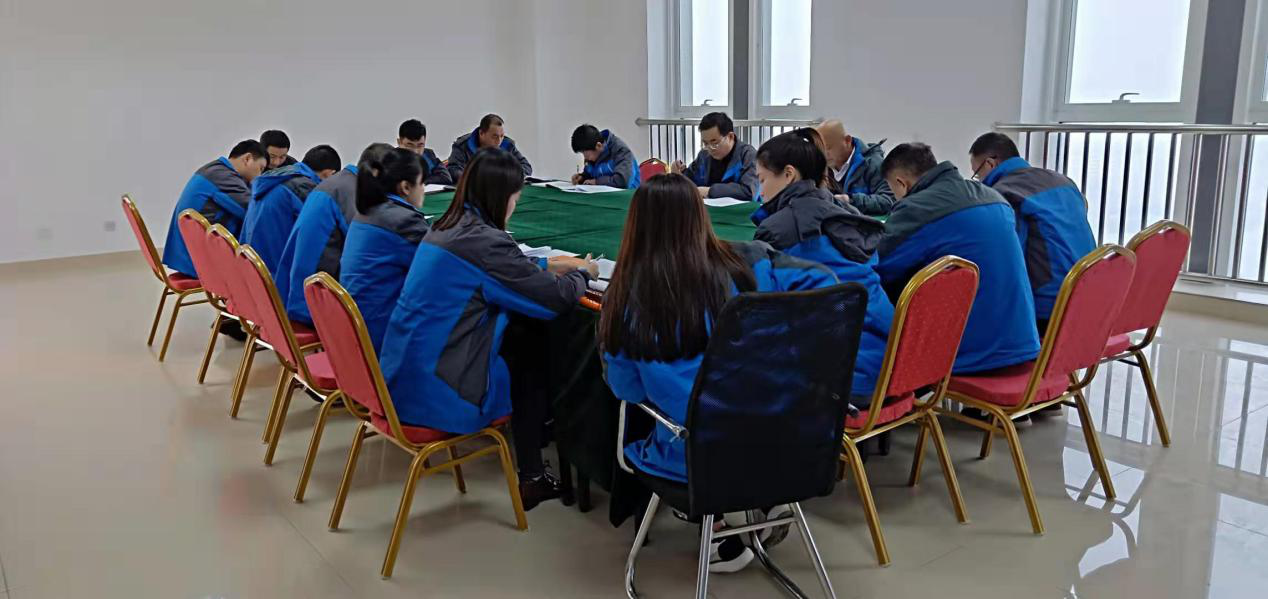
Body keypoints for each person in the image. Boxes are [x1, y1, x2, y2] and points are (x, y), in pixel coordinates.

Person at [598, 173, 839, 572]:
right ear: (700, 217)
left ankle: (727, 533)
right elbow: (826, 287)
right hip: (784, 437)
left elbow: (626, 390)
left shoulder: (626, 297)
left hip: (695, 457)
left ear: (636, 225)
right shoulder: (746, 266)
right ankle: (757, 505)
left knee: (673, 423)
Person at [378, 148, 596, 510]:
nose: (514, 206)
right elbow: (554, 300)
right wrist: (582, 274)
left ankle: (536, 457)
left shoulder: (448, 226)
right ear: (501, 196)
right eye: (515, 198)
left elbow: (501, 269)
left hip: (401, 377)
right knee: (531, 350)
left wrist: (546, 265)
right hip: (440, 388)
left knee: (521, 338)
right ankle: (533, 475)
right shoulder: (484, 240)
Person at [751, 129, 893, 408]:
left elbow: (767, 313)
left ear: (788, 174)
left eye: (762, 179)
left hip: (845, 377)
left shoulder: (779, 230)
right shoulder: (846, 212)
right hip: (890, 364)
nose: (760, 191)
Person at [876, 143, 1040, 374]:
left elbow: (879, 265)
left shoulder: (918, 208)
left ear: (902, 183)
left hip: (975, 356)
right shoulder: (994, 197)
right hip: (1024, 343)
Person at [969, 132, 1097, 332]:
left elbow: (1009, 263)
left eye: (977, 174)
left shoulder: (1004, 194)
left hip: (1050, 308)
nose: (980, 181)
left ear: (990, 164)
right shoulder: (1062, 181)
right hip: (1090, 295)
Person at [274, 143, 393, 325]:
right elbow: (366, 244)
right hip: (314, 303)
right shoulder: (351, 191)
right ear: (377, 173)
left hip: (297, 290)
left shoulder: (338, 182)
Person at [338, 148, 430, 351]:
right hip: (382, 336)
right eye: (422, 183)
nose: (424, 189)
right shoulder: (404, 221)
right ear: (406, 187)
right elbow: (438, 264)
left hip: (357, 332)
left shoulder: (367, 213)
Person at [161, 139, 268, 278]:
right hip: (196, 260)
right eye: (261, 168)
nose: (260, 175)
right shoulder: (224, 178)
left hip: (185, 253)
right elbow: (253, 212)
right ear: (247, 159)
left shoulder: (215, 170)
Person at [240, 145, 341, 275]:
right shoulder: (303, 187)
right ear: (329, 174)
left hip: (252, 268)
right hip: (275, 274)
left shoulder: (276, 178)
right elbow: (321, 234)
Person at [670, 112, 759, 202]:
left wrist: (710, 191)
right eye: (705, 143)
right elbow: (691, 182)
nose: (710, 148)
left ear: (730, 137)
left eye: (715, 143)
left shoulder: (748, 155)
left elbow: (749, 192)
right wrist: (679, 175)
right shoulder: (704, 155)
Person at [816, 120, 894, 215]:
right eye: (820, 150)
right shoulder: (822, 167)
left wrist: (851, 200)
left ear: (847, 141)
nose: (824, 154)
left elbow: (888, 201)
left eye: (828, 148)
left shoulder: (873, 164)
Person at [446, 113, 533, 181]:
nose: (499, 141)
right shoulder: (462, 146)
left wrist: (507, 176)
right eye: (494, 136)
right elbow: (453, 170)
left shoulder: (507, 145)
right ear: (481, 133)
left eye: (502, 136)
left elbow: (526, 166)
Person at [570, 124, 640, 189]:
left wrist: (597, 182)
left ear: (598, 146)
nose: (585, 158)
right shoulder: (593, 150)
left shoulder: (621, 151)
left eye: (586, 155)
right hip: (602, 194)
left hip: (629, 195)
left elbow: (622, 181)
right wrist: (582, 178)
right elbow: (590, 174)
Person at [397, 119, 453, 185]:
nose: (415, 151)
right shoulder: (389, 160)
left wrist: (419, 183)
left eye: (420, 145)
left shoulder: (428, 155)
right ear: (399, 142)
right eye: (410, 145)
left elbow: (445, 178)